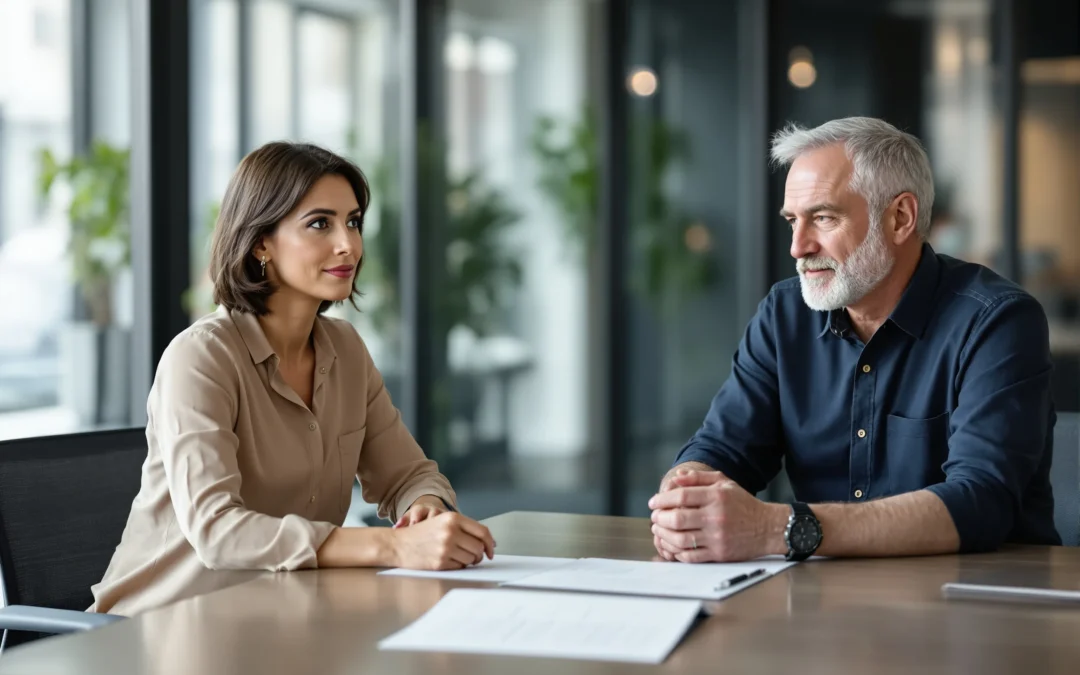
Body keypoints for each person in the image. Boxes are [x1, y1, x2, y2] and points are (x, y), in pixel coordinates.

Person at [90, 142, 495, 616]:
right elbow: (218, 531)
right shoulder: (200, 358)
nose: (348, 243)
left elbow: (407, 474)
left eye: (354, 221)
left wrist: (424, 507)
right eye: (320, 223)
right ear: (261, 241)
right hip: (160, 631)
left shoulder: (345, 350)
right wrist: (394, 548)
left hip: (280, 616)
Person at [650, 117, 1060, 564]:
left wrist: (778, 528)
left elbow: (980, 502)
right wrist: (686, 492)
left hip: (979, 603)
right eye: (793, 221)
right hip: (821, 600)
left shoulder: (996, 321)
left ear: (900, 217)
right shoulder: (784, 314)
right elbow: (726, 448)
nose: (798, 246)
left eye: (823, 217)